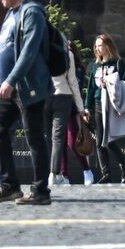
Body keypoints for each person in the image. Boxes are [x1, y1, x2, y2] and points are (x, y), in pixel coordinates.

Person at [0, 0, 52, 205]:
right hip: (9, 88)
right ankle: (9, 185)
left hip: (27, 86)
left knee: (34, 136)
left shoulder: (31, 12)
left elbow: (29, 52)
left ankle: (41, 191)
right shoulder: (10, 14)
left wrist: (11, 79)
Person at [85, 33, 125, 184]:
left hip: (113, 104)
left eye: (100, 45)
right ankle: (106, 173)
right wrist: (87, 107)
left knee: (109, 140)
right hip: (99, 104)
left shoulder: (118, 63)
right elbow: (91, 88)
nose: (98, 48)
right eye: (96, 46)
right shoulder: (95, 66)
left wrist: (111, 83)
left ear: (108, 46)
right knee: (100, 141)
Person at [47, 36, 86, 186]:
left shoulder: (42, 52)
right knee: (58, 138)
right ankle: (54, 174)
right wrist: (80, 107)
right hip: (63, 95)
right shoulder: (68, 54)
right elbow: (73, 82)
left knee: (49, 137)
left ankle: (52, 173)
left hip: (45, 96)